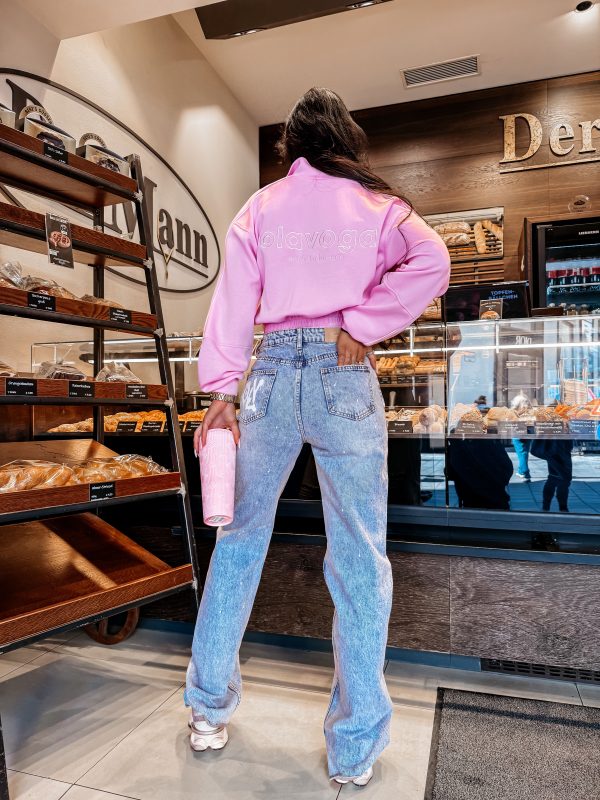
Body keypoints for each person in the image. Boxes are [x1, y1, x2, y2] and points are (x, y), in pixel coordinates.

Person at [185, 87, 450, 787]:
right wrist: (362, 324)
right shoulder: (379, 206)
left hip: (270, 375)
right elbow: (435, 263)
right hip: (344, 372)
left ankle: (207, 709)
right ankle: (354, 750)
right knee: (359, 558)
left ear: (290, 147)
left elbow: (232, 303)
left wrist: (221, 393)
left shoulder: (260, 207)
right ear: (346, 140)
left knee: (238, 543)